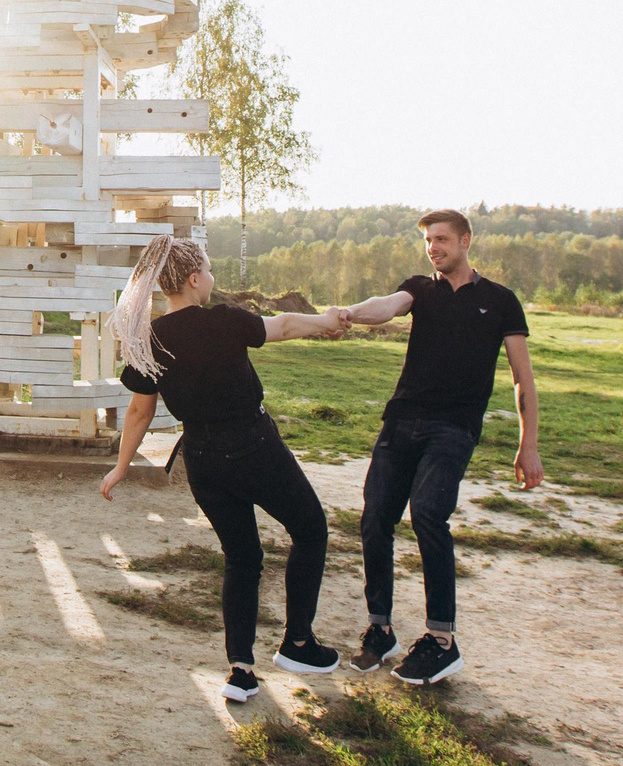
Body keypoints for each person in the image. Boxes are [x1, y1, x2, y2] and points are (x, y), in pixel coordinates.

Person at [97, 236, 353, 702]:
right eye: (210, 271)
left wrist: (120, 468)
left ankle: (241, 670)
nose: (213, 279)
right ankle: (298, 643)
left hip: (201, 460)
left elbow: (139, 412)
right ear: (194, 280)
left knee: (242, 558)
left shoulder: (150, 339)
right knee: (311, 529)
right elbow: (288, 326)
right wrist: (328, 320)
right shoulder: (224, 321)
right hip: (254, 448)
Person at [332, 208, 539, 686]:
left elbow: (522, 378)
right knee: (375, 518)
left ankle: (442, 640)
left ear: (466, 240)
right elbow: (386, 305)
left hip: (453, 427)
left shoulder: (500, 301)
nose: (434, 248)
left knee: (428, 513)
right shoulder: (420, 289)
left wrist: (528, 445)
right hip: (401, 419)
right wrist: (348, 315)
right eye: (428, 240)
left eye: (442, 239)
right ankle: (380, 629)